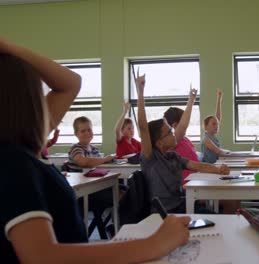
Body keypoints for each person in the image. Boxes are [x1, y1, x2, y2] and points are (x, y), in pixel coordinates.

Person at [0, 37, 190, 263]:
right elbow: (42, 256)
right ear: (28, 105)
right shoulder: (13, 162)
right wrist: (156, 243)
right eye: (40, 96)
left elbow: (71, 83)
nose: (48, 104)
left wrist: (7, 47)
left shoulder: (21, 153)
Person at [135, 71, 230, 213]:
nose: (174, 133)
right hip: (164, 214)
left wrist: (218, 170)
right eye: (169, 132)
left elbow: (198, 165)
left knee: (216, 218)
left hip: (181, 206)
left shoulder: (173, 157)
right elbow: (143, 127)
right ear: (159, 142)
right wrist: (140, 92)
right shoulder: (150, 158)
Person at [163, 87, 199, 181]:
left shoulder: (185, 140)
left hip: (196, 179)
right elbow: (183, 126)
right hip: (187, 185)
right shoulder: (171, 142)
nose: (187, 123)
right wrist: (191, 100)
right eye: (183, 120)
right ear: (175, 125)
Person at [201, 89, 226, 163]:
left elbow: (218, 118)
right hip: (211, 168)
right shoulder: (206, 139)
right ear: (205, 126)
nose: (217, 126)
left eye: (217, 124)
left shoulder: (212, 136)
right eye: (214, 124)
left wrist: (219, 100)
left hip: (216, 165)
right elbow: (219, 152)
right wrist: (235, 155)